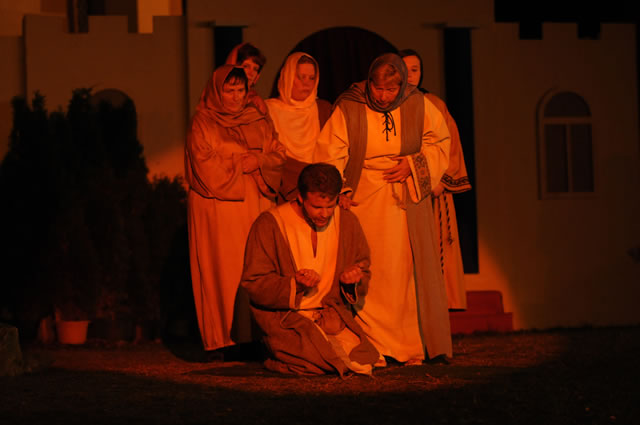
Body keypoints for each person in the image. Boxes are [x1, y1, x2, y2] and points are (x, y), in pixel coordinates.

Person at [314, 53, 452, 365]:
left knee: (403, 273)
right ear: (369, 83)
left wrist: (414, 165)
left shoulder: (418, 104)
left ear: (401, 86)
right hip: (364, 198)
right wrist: (340, 188)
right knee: (369, 269)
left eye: (391, 90)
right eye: (378, 89)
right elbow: (329, 151)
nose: (384, 96)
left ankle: (408, 345)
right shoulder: (350, 106)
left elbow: (440, 143)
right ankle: (373, 344)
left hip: (405, 198)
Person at [240, 163, 379, 375]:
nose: (325, 214)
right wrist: (294, 285)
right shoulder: (270, 224)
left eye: (330, 206)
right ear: (301, 198)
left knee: (364, 357)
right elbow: (254, 282)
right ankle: (281, 356)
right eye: (316, 207)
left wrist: (350, 282)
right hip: (288, 319)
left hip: (330, 316)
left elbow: (363, 266)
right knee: (321, 359)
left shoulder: (347, 222)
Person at [185, 65, 286, 354]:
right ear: (217, 91)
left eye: (240, 90)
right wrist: (239, 164)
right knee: (223, 269)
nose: (235, 96)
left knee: (255, 267)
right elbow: (203, 164)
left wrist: (259, 162)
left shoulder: (257, 118)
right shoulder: (203, 122)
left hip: (255, 205)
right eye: (229, 90)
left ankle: (256, 334)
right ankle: (224, 338)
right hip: (220, 209)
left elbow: (278, 153)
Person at [399, 49, 472, 310]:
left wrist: (441, 179)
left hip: (431, 189)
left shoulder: (433, 103)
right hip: (399, 187)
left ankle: (434, 307)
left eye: (415, 69)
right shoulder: (388, 105)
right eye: (405, 69)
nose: (410, 75)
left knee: (433, 247)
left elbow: (450, 144)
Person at [265, 52, 332, 202]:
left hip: (320, 191)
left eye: (311, 78)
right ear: (288, 76)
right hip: (282, 191)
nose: (307, 83)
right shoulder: (268, 110)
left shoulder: (324, 109)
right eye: (301, 77)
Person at [226, 43, 268, 114]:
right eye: (246, 66)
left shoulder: (257, 103)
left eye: (255, 69)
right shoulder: (216, 99)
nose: (251, 73)